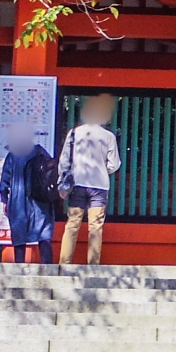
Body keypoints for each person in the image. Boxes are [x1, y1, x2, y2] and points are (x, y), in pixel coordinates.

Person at [58, 92, 121, 264]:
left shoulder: (74, 133)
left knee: (72, 224)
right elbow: (114, 164)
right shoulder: (108, 136)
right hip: (99, 186)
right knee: (95, 227)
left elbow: (64, 160)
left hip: (78, 184)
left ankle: (64, 263)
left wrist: (63, 178)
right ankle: (93, 265)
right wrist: (102, 169)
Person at [0, 119, 56, 264]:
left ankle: (19, 266)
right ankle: (47, 266)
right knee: (43, 232)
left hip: (18, 200)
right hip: (40, 198)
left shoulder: (12, 156)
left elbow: (5, 180)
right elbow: (51, 172)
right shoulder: (39, 151)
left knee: (19, 232)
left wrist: (5, 200)